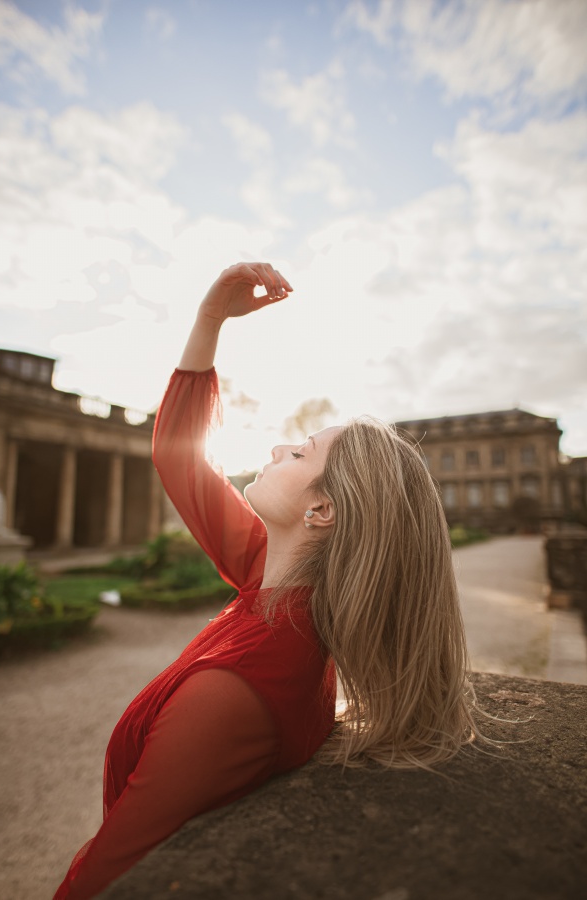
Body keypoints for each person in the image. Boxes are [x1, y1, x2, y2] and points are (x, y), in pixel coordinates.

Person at [53, 262, 481, 899]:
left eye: (301, 452)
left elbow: (109, 878)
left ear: (322, 510)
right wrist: (210, 321)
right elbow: (178, 455)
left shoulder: (236, 690)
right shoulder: (280, 585)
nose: (279, 448)